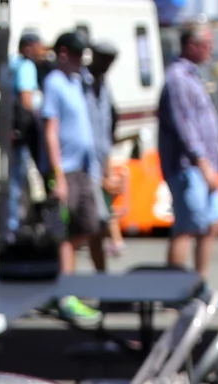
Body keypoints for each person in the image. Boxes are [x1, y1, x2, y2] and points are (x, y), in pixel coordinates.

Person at [44, 31, 108, 301]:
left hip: (85, 168)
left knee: (90, 227)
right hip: (67, 170)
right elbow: (51, 130)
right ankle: (65, 291)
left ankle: (94, 285)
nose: (82, 61)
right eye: (78, 55)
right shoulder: (54, 83)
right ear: (63, 54)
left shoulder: (78, 82)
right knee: (67, 233)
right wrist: (57, 175)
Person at [158, 24, 218, 276]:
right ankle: (174, 288)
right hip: (189, 167)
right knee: (187, 227)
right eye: (207, 45)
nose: (211, 50)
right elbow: (185, 126)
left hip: (205, 165)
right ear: (191, 46)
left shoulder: (192, 76)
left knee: (211, 223)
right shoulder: (177, 78)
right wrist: (203, 163)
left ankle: (200, 283)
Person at [0, 31, 49, 244]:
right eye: (39, 46)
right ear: (28, 47)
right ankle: (14, 227)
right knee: (20, 180)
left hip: (7, 129)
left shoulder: (9, 65)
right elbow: (27, 100)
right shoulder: (27, 67)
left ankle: (9, 224)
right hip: (23, 131)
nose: (41, 51)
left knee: (11, 180)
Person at [86, 37, 125, 258]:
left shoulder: (103, 85)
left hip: (102, 159)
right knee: (96, 220)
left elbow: (108, 123)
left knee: (102, 217)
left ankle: (100, 274)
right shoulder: (82, 82)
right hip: (85, 163)